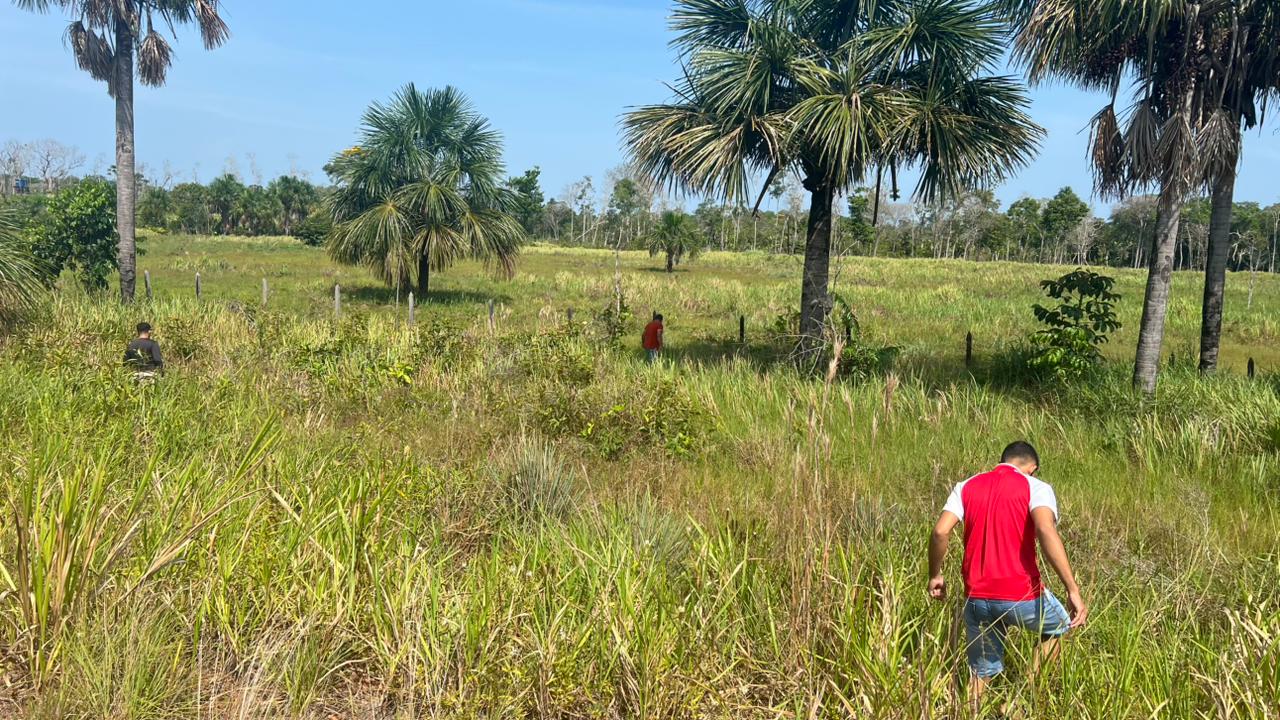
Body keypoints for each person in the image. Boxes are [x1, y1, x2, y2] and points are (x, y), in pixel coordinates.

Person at [927, 441, 1087, 710]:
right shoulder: (1035, 487)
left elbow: (940, 532)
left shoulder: (966, 486)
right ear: (1032, 468)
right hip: (1021, 594)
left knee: (981, 671)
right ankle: (1018, 706)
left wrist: (935, 575)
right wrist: (1072, 588)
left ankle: (969, 713)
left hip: (976, 597)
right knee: (1059, 625)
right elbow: (1046, 531)